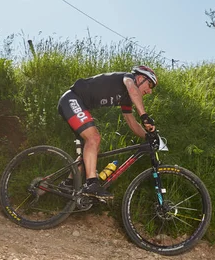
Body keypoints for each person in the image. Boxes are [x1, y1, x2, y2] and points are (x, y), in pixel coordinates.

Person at [57, 65, 158, 199]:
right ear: (140, 78)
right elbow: (133, 89)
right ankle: (91, 184)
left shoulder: (126, 98)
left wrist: (148, 136)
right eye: (150, 85)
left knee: (92, 149)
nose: (150, 91)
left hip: (77, 103)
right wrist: (144, 116)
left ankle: (68, 183)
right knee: (93, 138)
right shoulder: (128, 78)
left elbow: (131, 122)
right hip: (72, 99)